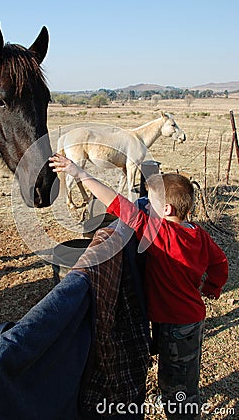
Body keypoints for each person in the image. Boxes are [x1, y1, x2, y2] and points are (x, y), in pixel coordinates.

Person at [49, 153, 228, 420]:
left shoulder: (159, 233)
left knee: (175, 378)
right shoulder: (198, 234)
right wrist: (212, 287)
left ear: (166, 210)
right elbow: (220, 262)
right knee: (186, 367)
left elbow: (116, 202)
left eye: (152, 201)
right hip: (190, 318)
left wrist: (80, 173)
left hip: (176, 323)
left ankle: (182, 411)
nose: (146, 205)